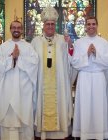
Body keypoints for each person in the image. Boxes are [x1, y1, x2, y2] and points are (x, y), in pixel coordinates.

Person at [31, 5, 73, 140]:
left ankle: (61, 133)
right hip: (42, 82)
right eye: (47, 24)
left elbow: (70, 59)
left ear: (55, 25)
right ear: (43, 25)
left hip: (59, 83)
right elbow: (31, 63)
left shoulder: (62, 40)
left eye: (52, 24)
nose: (50, 26)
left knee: (60, 104)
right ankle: (43, 133)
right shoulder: (35, 41)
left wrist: (70, 45)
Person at [71, 16, 108, 140]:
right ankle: (83, 133)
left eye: (93, 24)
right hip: (84, 77)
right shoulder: (79, 43)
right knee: (84, 106)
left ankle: (99, 134)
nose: (91, 26)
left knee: (98, 107)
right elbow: (75, 62)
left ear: (97, 25)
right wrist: (87, 54)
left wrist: (96, 54)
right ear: (85, 26)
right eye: (88, 24)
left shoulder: (104, 42)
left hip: (98, 78)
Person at [0, 20, 39, 140]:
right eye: (14, 27)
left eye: (18, 28)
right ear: (10, 29)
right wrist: (12, 58)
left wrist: (19, 58)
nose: (16, 30)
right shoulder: (3, 47)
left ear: (22, 30)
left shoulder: (28, 46)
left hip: (23, 89)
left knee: (24, 117)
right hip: (7, 87)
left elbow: (34, 63)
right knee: (8, 118)